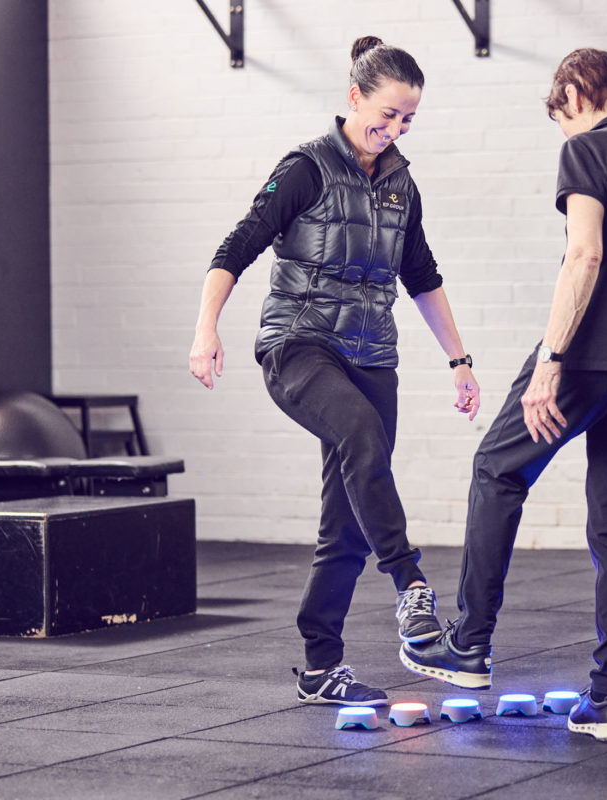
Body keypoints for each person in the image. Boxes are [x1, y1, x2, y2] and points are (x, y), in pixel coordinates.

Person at [401, 48, 607, 742]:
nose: (564, 132)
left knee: (497, 468)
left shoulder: (588, 153)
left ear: (577, 92)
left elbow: (585, 254)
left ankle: (468, 648)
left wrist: (551, 360)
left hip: (585, 361)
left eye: (561, 117)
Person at [189, 36, 481, 708]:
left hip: (373, 354)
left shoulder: (402, 184)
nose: (394, 129)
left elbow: (423, 276)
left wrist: (459, 361)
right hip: (300, 344)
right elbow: (237, 245)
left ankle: (322, 665)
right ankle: (412, 589)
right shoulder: (306, 167)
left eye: (407, 119)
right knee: (361, 438)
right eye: (385, 115)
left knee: (348, 520)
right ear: (353, 98)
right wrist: (206, 328)